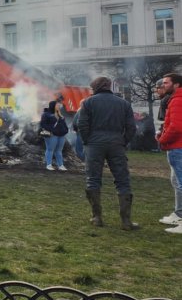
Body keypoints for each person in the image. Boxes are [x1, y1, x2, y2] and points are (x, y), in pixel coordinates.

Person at [77, 76, 138, 230]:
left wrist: (87, 141)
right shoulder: (124, 104)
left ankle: (97, 217)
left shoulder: (88, 102)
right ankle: (126, 221)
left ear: (95, 87)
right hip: (117, 143)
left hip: (94, 144)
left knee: (93, 179)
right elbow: (131, 128)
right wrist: (123, 141)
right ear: (109, 86)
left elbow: (82, 125)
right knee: (122, 180)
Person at [157, 73, 182, 233]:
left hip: (177, 147)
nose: (163, 85)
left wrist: (162, 139)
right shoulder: (174, 99)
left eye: (166, 83)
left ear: (176, 84)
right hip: (175, 147)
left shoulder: (177, 101)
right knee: (176, 181)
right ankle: (178, 213)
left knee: (180, 182)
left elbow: (177, 127)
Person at [39, 100, 69, 171]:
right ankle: (49, 165)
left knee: (59, 150)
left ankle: (60, 165)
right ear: (53, 106)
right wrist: (52, 130)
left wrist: (65, 130)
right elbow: (43, 124)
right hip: (52, 135)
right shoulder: (46, 114)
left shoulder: (60, 115)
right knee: (50, 149)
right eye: (57, 105)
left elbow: (64, 124)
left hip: (61, 135)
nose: (59, 106)